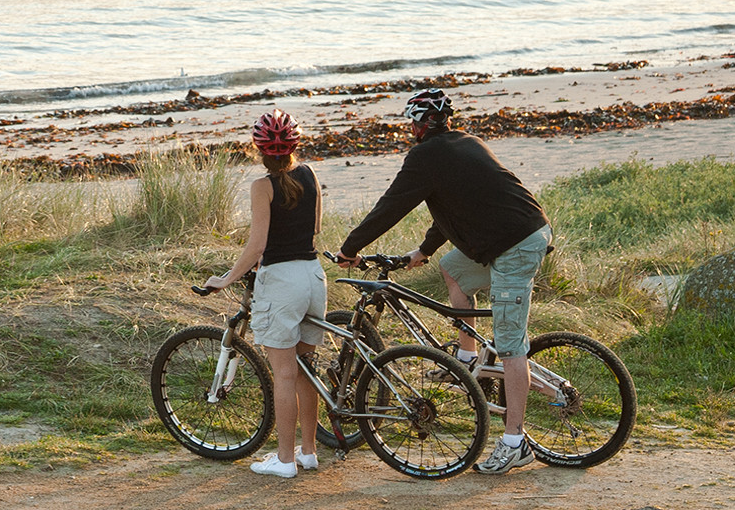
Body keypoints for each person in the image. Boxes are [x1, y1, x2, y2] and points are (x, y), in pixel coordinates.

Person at [333, 89, 553, 475]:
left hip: (515, 246)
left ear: (418, 125)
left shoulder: (425, 156)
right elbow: (455, 203)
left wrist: (351, 246)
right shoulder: (466, 143)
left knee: (510, 345)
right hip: (521, 232)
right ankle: (468, 359)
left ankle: (514, 442)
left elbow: (392, 205)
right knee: (454, 267)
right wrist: (424, 250)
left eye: (411, 123)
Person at [203, 109, 326, 479]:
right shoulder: (309, 174)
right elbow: (315, 227)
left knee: (284, 375)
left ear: (259, 149)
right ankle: (308, 451)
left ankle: (285, 460)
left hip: (282, 282)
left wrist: (226, 278)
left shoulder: (263, 186)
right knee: (305, 370)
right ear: (294, 146)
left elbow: (257, 245)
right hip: (313, 276)